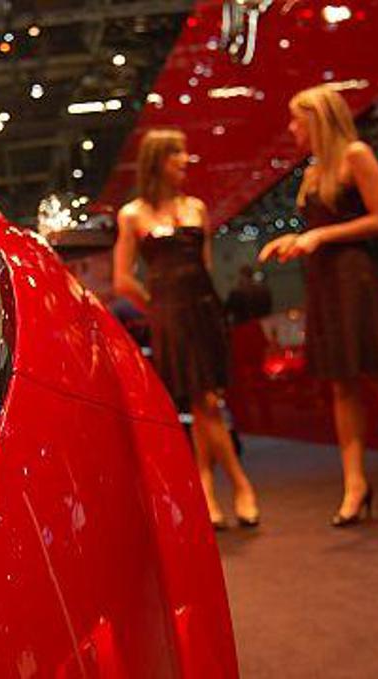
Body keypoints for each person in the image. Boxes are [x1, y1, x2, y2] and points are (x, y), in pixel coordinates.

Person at [260, 85, 378, 526]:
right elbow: (320, 226)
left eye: (297, 119)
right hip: (325, 282)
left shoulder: (355, 155)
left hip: (358, 279)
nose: (292, 128)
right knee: (342, 385)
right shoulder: (313, 170)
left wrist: (320, 236)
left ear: (319, 120)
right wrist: (296, 240)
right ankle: (354, 483)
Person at [114, 128, 260, 529]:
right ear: (157, 160)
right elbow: (122, 279)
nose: (184, 160)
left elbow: (206, 264)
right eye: (176, 153)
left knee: (204, 402)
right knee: (204, 402)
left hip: (205, 310)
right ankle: (241, 485)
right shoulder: (132, 214)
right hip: (171, 316)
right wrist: (156, 306)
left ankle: (206, 489)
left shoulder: (196, 207)